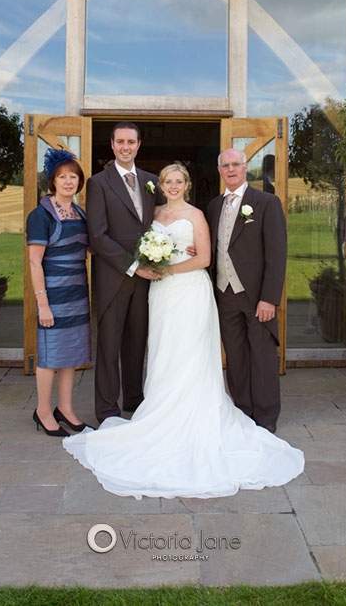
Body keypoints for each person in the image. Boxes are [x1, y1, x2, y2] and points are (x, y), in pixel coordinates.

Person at [63, 162, 304, 499]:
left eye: (179, 181)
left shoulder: (198, 214)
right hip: (161, 295)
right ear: (160, 185)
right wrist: (150, 264)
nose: (173, 186)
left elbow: (204, 258)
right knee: (165, 350)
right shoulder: (154, 214)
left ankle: (239, 413)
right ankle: (161, 407)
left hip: (189, 291)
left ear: (187, 185)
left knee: (192, 351)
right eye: (168, 181)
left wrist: (167, 269)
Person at [206, 148, 287, 434]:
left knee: (262, 356)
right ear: (219, 171)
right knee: (236, 356)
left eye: (236, 164)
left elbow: (276, 254)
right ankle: (242, 410)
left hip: (256, 295)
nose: (231, 169)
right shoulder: (213, 207)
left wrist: (269, 298)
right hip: (224, 293)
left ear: (245, 167)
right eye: (225, 165)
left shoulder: (266, 202)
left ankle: (266, 415)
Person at [86, 122, 161, 424]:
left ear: (139, 145)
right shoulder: (98, 183)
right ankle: (107, 410)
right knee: (109, 345)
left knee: (137, 342)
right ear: (112, 145)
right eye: (120, 142)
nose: (125, 147)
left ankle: (134, 400)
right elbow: (97, 235)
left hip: (146, 280)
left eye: (131, 142)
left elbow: (163, 222)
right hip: (114, 278)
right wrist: (133, 265)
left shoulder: (152, 181)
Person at [26, 147, 91, 437]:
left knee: (70, 353)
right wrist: (43, 304)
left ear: (79, 181)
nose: (68, 181)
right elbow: (34, 262)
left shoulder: (79, 212)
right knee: (50, 355)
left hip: (77, 294)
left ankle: (65, 408)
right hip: (52, 296)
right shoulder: (40, 215)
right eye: (62, 176)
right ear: (52, 181)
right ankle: (42, 410)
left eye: (73, 177)